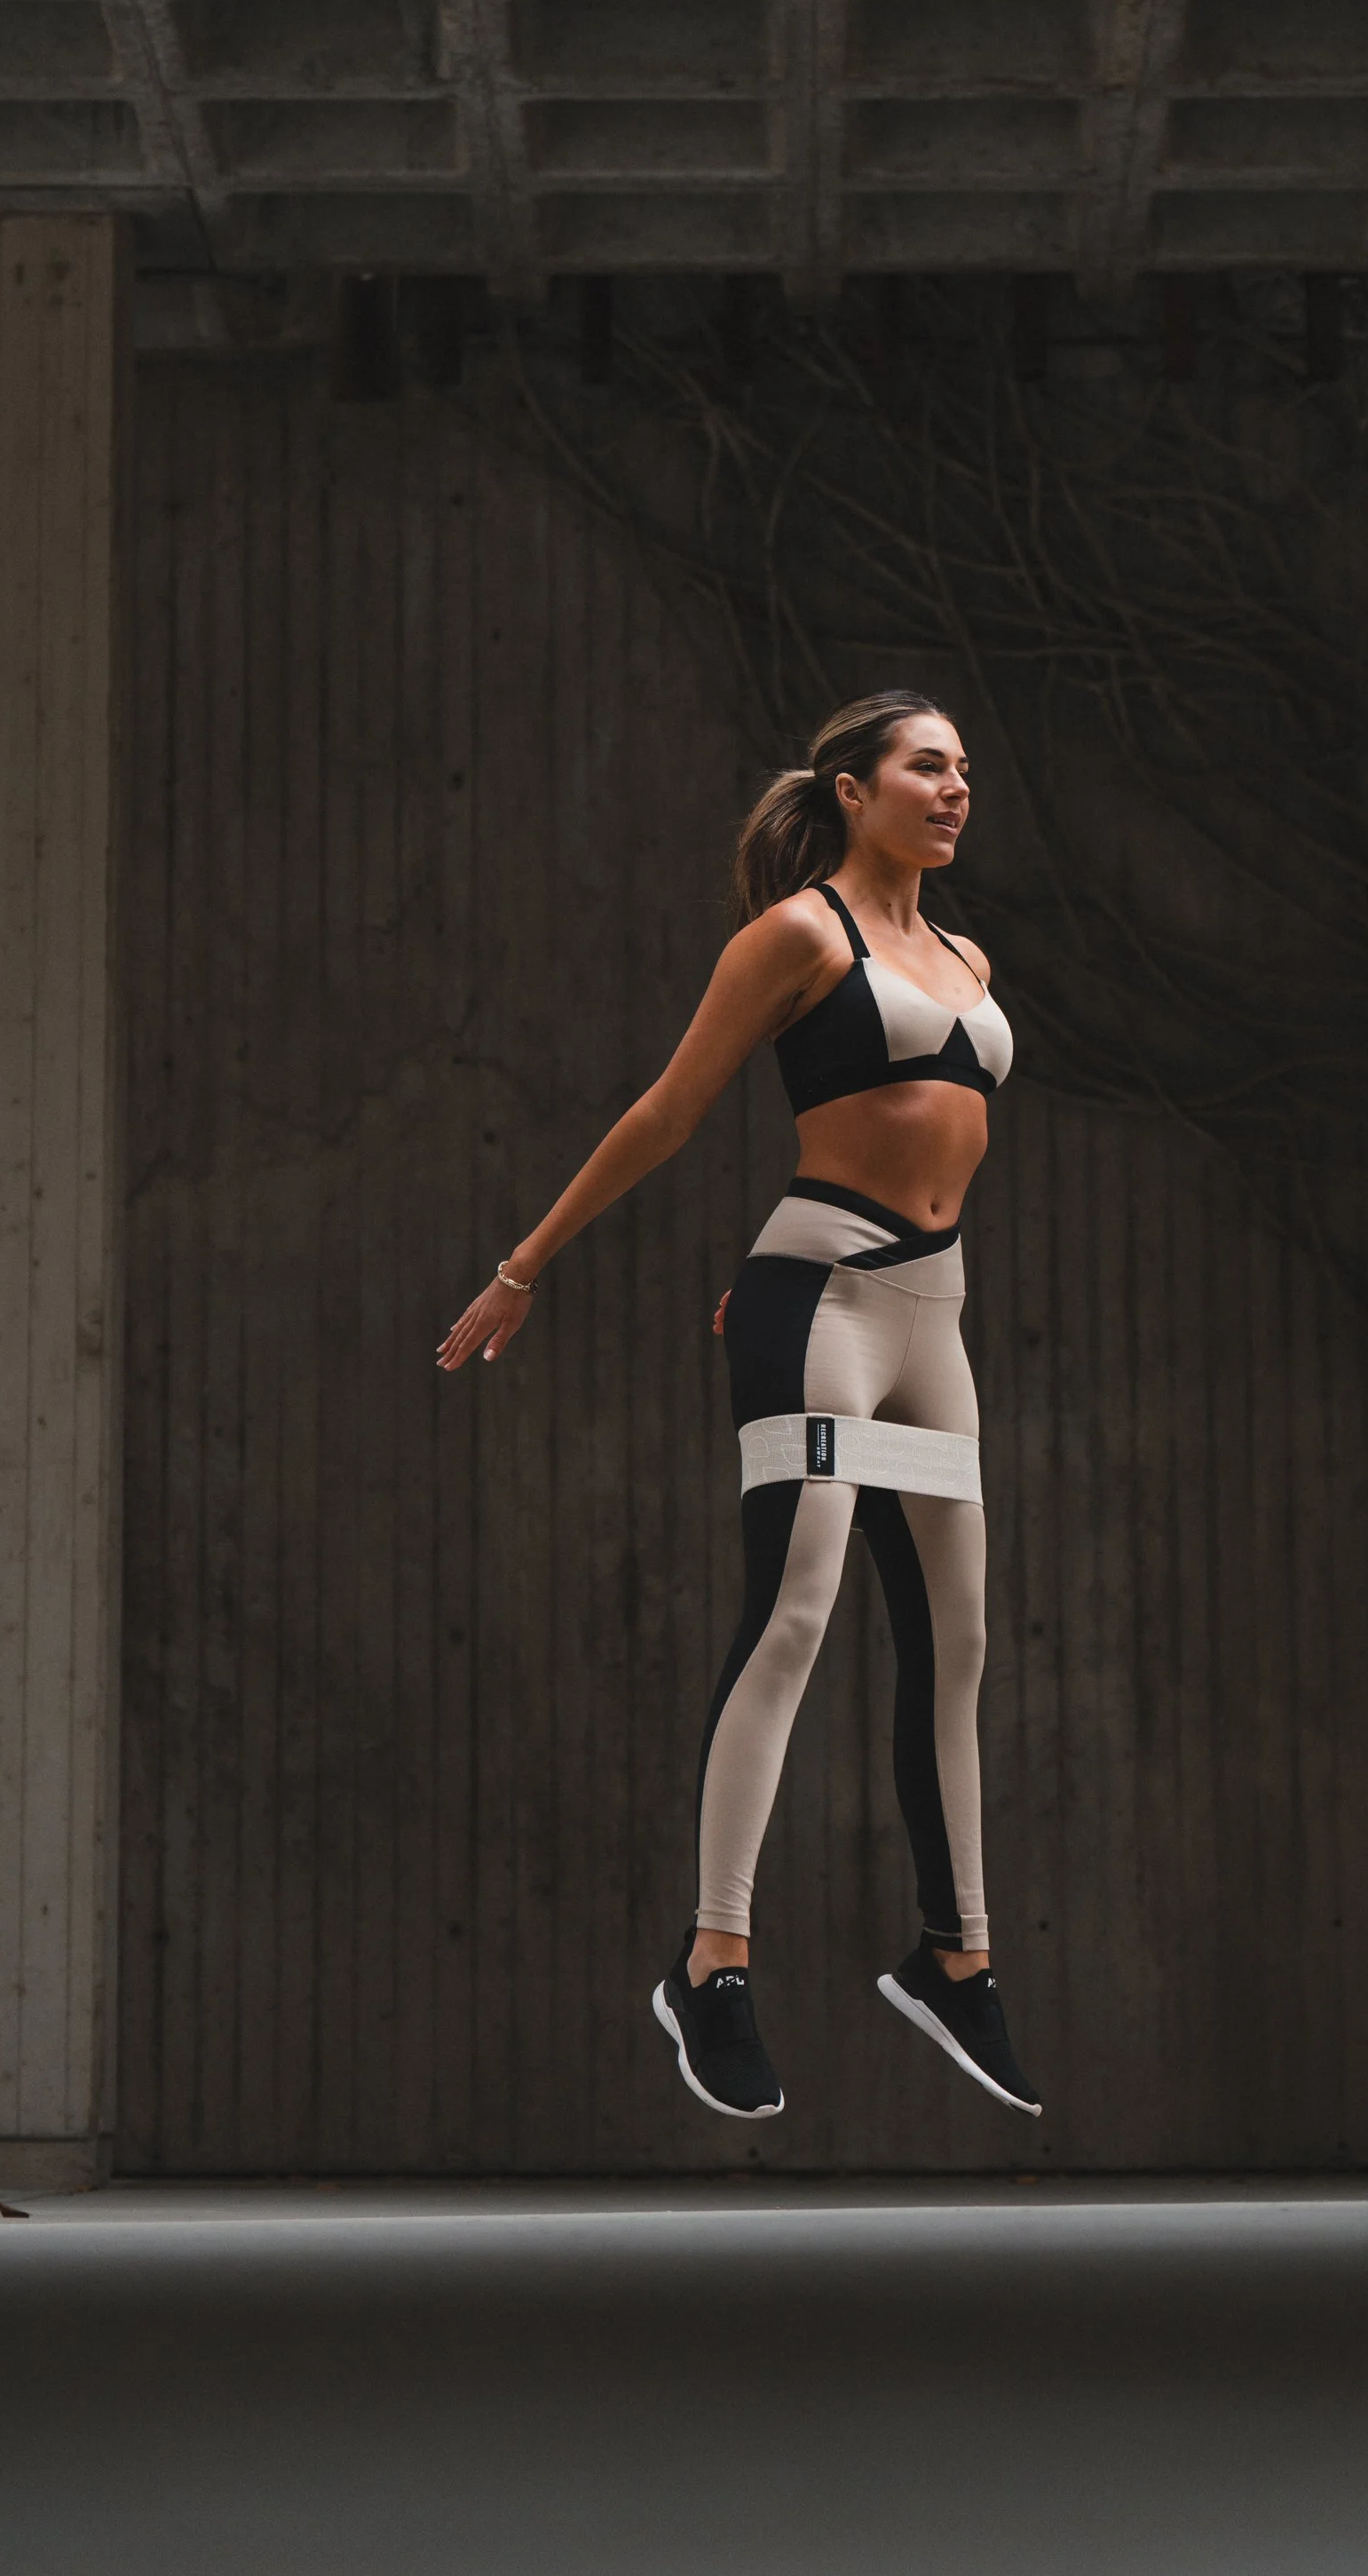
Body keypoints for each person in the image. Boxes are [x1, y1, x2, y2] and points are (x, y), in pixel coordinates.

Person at [438, 689, 1040, 2125]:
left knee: (955, 1642)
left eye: (966, 768)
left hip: (932, 1318)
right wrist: (526, 1265)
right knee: (797, 1613)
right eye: (926, 766)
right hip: (820, 1301)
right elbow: (667, 1109)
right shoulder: (797, 937)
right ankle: (712, 1963)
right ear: (851, 787)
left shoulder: (967, 952)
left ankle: (956, 1960)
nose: (956, 789)